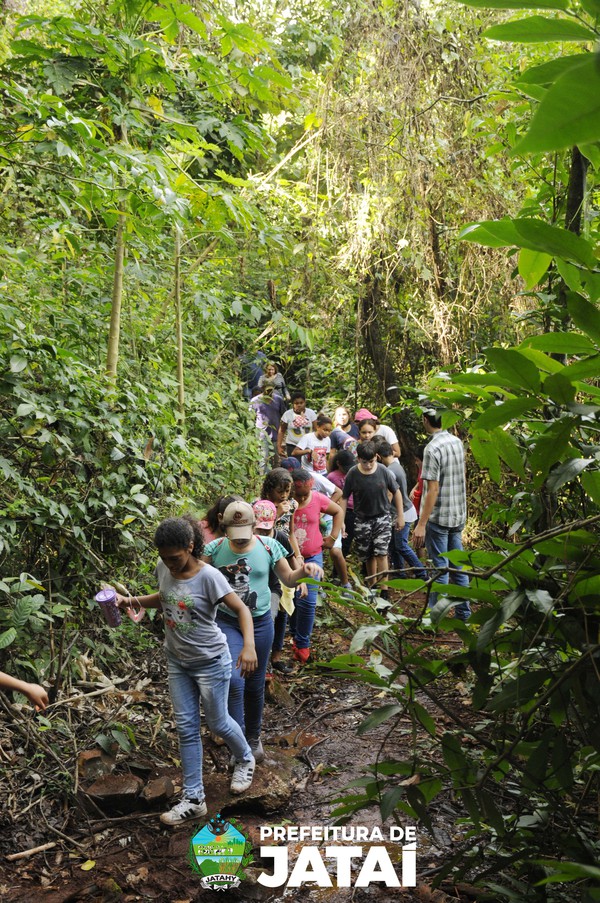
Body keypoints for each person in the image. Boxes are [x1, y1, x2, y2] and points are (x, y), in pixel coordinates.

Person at [113, 515, 258, 825]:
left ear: (190, 547)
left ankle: (245, 758)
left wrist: (248, 646)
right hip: (177, 660)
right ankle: (194, 799)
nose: (170, 564)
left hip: (211, 661)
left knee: (218, 723)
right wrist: (130, 601)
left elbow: (241, 609)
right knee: (186, 727)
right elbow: (166, 598)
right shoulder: (164, 567)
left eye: (175, 558)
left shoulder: (209, 577)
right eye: (164, 558)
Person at [203, 501, 323, 757]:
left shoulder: (269, 546)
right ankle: (238, 741)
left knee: (255, 684)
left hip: (260, 621)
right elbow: (196, 578)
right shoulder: (214, 549)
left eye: (244, 534)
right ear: (224, 526)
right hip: (227, 620)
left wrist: (304, 571)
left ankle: (253, 736)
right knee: (234, 680)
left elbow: (288, 578)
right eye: (234, 535)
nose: (240, 540)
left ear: (253, 525)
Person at [412, 410, 471, 620]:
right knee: (457, 566)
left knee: (440, 568)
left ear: (425, 420)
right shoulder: (456, 442)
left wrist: (421, 523)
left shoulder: (432, 448)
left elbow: (433, 489)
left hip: (439, 517)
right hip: (457, 513)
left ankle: (436, 616)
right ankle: (464, 614)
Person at [291, 470, 344, 663]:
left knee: (308, 601)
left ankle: (302, 643)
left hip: (313, 557)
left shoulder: (317, 498)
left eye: (305, 494)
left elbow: (338, 511)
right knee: (292, 599)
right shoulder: (285, 503)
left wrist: (332, 537)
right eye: (298, 495)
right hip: (289, 559)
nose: (301, 498)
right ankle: (294, 635)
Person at [340, 441, 404, 589]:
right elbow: (344, 497)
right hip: (362, 519)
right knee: (367, 554)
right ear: (358, 459)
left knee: (381, 553)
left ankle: (384, 589)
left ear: (376, 457)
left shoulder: (383, 471)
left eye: (371, 461)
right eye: (364, 462)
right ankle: (372, 586)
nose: (368, 465)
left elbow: (396, 491)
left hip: (382, 517)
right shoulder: (353, 474)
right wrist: (341, 521)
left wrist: (400, 515)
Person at [252, 499, 300, 676]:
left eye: (267, 530)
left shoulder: (279, 537)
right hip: (251, 588)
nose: (264, 533)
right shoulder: (246, 539)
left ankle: (266, 665)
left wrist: (301, 580)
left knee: (269, 620)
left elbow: (291, 558)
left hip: (273, 587)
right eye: (260, 530)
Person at [374, 439, 427, 581]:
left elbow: (389, 494)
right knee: (393, 545)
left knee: (401, 545)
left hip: (402, 512)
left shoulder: (390, 472)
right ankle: (399, 571)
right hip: (402, 510)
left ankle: (422, 572)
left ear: (378, 456)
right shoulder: (396, 466)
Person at [327, 449, 358, 558]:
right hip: (343, 510)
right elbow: (329, 495)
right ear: (338, 464)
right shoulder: (332, 476)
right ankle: (339, 564)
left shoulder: (355, 472)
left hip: (357, 509)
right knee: (345, 539)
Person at [250, 385, 287, 473]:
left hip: (276, 434)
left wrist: (283, 433)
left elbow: (284, 416)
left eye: (271, 390)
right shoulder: (255, 400)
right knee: (263, 459)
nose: (269, 392)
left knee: (275, 460)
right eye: (267, 390)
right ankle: (263, 478)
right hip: (262, 435)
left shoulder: (278, 400)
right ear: (263, 389)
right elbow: (251, 417)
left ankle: (274, 477)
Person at [277, 392, 318, 458]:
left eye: (301, 403)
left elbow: (316, 429)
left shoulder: (311, 413)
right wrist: (279, 446)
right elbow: (281, 430)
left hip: (308, 446)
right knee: (293, 464)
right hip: (292, 445)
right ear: (292, 404)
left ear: (305, 402)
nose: (299, 405)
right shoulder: (287, 415)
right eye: (296, 403)